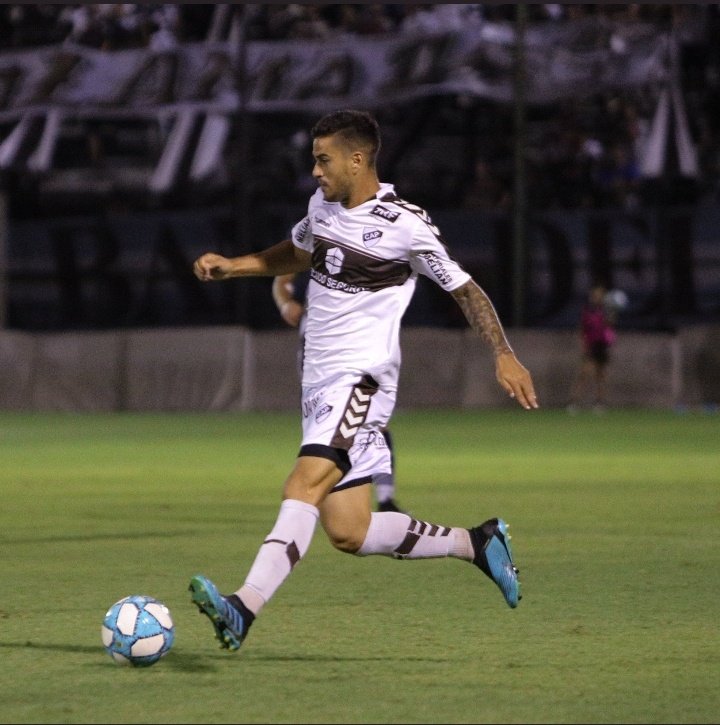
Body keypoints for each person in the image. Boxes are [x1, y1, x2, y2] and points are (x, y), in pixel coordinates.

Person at [190, 109, 539, 652]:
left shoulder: (405, 225)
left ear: (357, 159)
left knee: (301, 485)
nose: (315, 171)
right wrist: (233, 266)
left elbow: (465, 289)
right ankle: (476, 543)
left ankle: (243, 607)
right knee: (349, 530)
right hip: (318, 384)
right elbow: (299, 252)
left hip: (361, 381)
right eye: (313, 160)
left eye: (323, 160)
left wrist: (504, 354)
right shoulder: (322, 207)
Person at [272, 270, 406, 514]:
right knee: (328, 418)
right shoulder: (320, 234)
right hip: (322, 341)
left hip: (363, 333)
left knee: (373, 421)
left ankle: (384, 499)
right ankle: (326, 492)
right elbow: (282, 277)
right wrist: (285, 304)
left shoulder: (381, 240)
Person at [568, 284, 617, 412]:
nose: (596, 298)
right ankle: (574, 402)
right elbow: (582, 329)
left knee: (600, 375)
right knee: (584, 373)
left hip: (602, 345)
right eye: (595, 295)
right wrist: (583, 344)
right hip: (591, 345)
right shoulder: (588, 311)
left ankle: (599, 402)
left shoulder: (605, 311)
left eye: (599, 296)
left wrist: (611, 315)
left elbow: (610, 326)